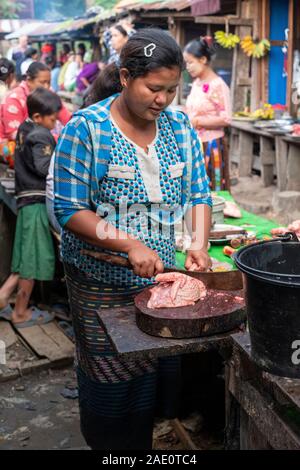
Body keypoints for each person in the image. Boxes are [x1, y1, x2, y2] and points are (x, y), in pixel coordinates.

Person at [54, 28, 212, 450]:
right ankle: (109, 447)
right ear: (125, 77)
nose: (163, 100)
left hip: (158, 280)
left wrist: (196, 241)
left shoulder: (178, 127)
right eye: (154, 88)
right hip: (99, 282)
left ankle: (139, 446)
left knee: (148, 371)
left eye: (172, 90)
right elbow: (69, 210)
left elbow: (198, 192)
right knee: (109, 375)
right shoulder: (88, 129)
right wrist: (127, 244)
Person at [0, 88, 62, 325]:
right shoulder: (41, 135)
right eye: (52, 119)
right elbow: (44, 167)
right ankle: (21, 311)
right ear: (38, 117)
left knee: (26, 255)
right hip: (36, 202)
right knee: (34, 260)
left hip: (25, 199)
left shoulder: (24, 130)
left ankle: (4, 296)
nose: (54, 123)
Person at [184, 37, 232, 191]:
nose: (188, 67)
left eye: (190, 62)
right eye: (186, 63)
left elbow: (226, 119)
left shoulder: (218, 85)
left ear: (203, 59)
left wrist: (197, 122)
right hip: (196, 143)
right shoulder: (197, 83)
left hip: (212, 146)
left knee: (213, 189)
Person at [1, 62, 71, 141]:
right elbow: (17, 135)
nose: (47, 86)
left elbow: (67, 118)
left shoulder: (49, 94)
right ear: (29, 81)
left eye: (48, 82)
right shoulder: (14, 100)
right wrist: (56, 139)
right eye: (42, 82)